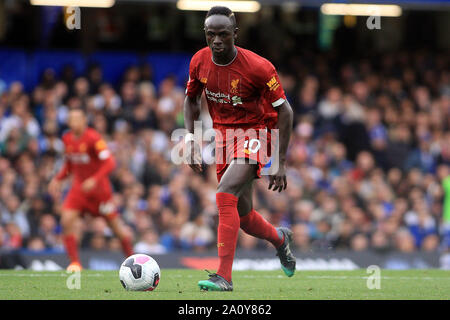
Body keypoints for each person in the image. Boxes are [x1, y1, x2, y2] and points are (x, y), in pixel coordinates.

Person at [184, 6, 295, 291]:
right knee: (243, 216)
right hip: (223, 137)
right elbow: (191, 100)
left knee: (224, 193)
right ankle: (280, 239)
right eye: (211, 35)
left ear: (235, 33)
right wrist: (190, 138)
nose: (217, 41)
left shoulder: (259, 67)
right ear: (206, 35)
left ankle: (224, 276)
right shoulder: (199, 61)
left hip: (257, 131)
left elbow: (286, 112)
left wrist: (279, 162)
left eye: (223, 34)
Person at [48, 108, 133, 271]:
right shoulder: (67, 139)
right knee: (66, 221)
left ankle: (132, 260)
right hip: (79, 191)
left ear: (83, 121)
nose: (73, 122)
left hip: (100, 193)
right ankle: (75, 263)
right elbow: (69, 165)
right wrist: (57, 179)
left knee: (117, 229)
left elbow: (110, 162)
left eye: (76, 119)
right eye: (70, 119)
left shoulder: (93, 138)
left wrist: (94, 179)